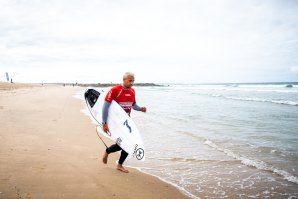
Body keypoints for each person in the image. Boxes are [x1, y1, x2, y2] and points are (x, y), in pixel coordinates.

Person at [102, 72, 146, 173]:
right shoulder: (115, 90)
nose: (132, 83)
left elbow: (133, 105)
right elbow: (105, 106)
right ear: (124, 80)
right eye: (130, 80)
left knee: (126, 143)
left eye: (133, 81)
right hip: (116, 123)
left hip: (126, 123)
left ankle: (114, 159)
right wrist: (104, 123)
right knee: (126, 143)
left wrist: (140, 109)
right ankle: (116, 161)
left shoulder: (132, 91)